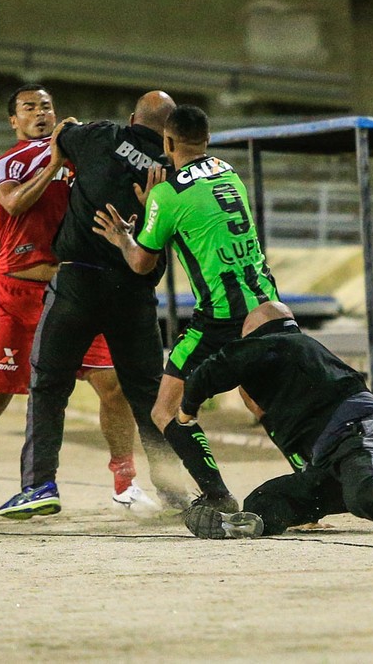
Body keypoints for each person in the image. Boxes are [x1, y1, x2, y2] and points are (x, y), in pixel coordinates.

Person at [0, 84, 156, 517]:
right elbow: (12, 204)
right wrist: (53, 163)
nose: (40, 113)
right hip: (19, 295)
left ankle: (125, 482)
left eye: (47, 107)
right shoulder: (8, 164)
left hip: (73, 289)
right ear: (13, 121)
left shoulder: (84, 154)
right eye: (29, 108)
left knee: (114, 385)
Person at [0, 90, 196, 520]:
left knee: (49, 384)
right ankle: (175, 493)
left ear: (131, 118)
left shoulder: (102, 136)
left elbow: (63, 133)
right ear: (168, 134)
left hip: (77, 282)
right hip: (134, 290)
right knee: (146, 395)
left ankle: (38, 485)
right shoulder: (171, 172)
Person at [172, 301, 373, 540]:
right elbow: (295, 451)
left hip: (361, 433)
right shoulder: (293, 372)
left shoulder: (281, 343)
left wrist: (187, 409)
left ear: (258, 335)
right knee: (267, 498)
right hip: (329, 459)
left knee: (369, 493)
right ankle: (244, 524)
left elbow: (218, 366)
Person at [92, 104, 279, 517]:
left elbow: (142, 262)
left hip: (219, 318)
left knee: (164, 410)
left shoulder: (167, 194)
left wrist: (124, 236)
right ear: (208, 140)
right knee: (262, 402)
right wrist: (159, 205)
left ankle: (216, 494)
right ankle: (312, 481)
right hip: (267, 306)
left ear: (168, 142)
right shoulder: (229, 173)